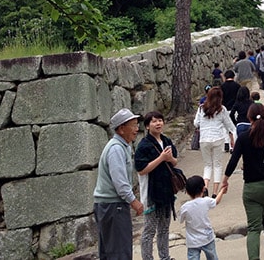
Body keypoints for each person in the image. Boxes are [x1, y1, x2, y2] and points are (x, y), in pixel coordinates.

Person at [222, 104, 264, 260]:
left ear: (249, 118)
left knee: (254, 228)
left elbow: (233, 160)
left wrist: (225, 180)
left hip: (251, 188)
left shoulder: (243, 138)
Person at [93, 108, 145, 260]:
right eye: (133, 125)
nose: (137, 129)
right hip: (113, 207)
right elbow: (120, 183)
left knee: (110, 252)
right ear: (121, 129)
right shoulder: (116, 149)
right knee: (119, 253)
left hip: (108, 206)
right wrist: (134, 202)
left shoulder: (120, 146)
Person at [134, 111, 179, 260]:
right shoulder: (144, 145)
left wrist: (170, 158)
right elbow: (141, 170)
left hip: (166, 191)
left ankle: (165, 257)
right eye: (154, 121)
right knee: (149, 229)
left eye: (160, 120)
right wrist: (161, 158)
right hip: (152, 193)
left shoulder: (166, 141)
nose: (158, 123)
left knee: (164, 228)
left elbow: (175, 161)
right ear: (147, 126)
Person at [194, 86, 237, 197]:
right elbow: (230, 126)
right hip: (218, 138)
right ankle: (214, 192)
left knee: (207, 165)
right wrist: (233, 138)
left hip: (204, 139)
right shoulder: (222, 109)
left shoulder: (201, 108)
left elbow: (196, 123)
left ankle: (205, 188)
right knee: (217, 165)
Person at [179, 175, 228, 260]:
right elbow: (216, 201)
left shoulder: (185, 207)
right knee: (212, 256)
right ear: (203, 189)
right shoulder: (206, 201)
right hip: (207, 237)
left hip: (192, 241)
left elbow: (181, 220)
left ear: (187, 191)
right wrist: (222, 191)